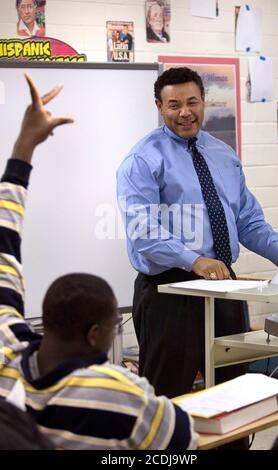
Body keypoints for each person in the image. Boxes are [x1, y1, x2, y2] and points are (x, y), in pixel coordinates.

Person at [0, 73, 198, 451]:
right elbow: (182, 442)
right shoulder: (118, 396)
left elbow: (3, 246)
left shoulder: (5, 350)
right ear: (96, 335)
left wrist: (23, 146)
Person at [117, 67, 278, 402]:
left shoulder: (223, 154)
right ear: (159, 106)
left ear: (204, 102)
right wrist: (194, 260)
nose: (184, 112)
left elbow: (246, 218)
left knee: (233, 394)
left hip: (224, 290)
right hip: (168, 294)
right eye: (174, 105)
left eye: (192, 102)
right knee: (169, 399)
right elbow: (143, 231)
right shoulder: (142, 160)